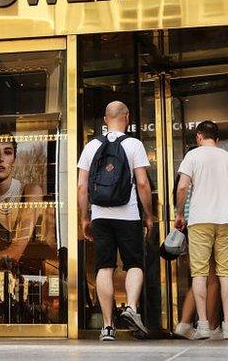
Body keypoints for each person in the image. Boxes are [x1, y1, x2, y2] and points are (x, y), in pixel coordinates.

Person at [77, 101, 153, 341]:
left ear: (105, 119)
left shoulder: (91, 146)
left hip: (100, 215)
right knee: (134, 263)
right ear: (127, 117)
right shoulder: (134, 144)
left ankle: (107, 327)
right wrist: (148, 215)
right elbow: (142, 183)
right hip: (128, 214)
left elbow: (81, 186)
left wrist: (84, 217)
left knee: (104, 266)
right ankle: (130, 306)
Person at [174, 120, 228, 340]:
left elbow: (182, 186)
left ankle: (202, 326)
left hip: (200, 219)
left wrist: (179, 213)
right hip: (226, 220)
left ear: (198, 137)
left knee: (200, 274)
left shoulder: (193, 156)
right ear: (218, 139)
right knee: (226, 274)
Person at [0, 136, 45, 270]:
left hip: (27, 272)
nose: (1, 158)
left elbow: (16, 251)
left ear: (14, 160)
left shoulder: (31, 191)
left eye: (8, 152)